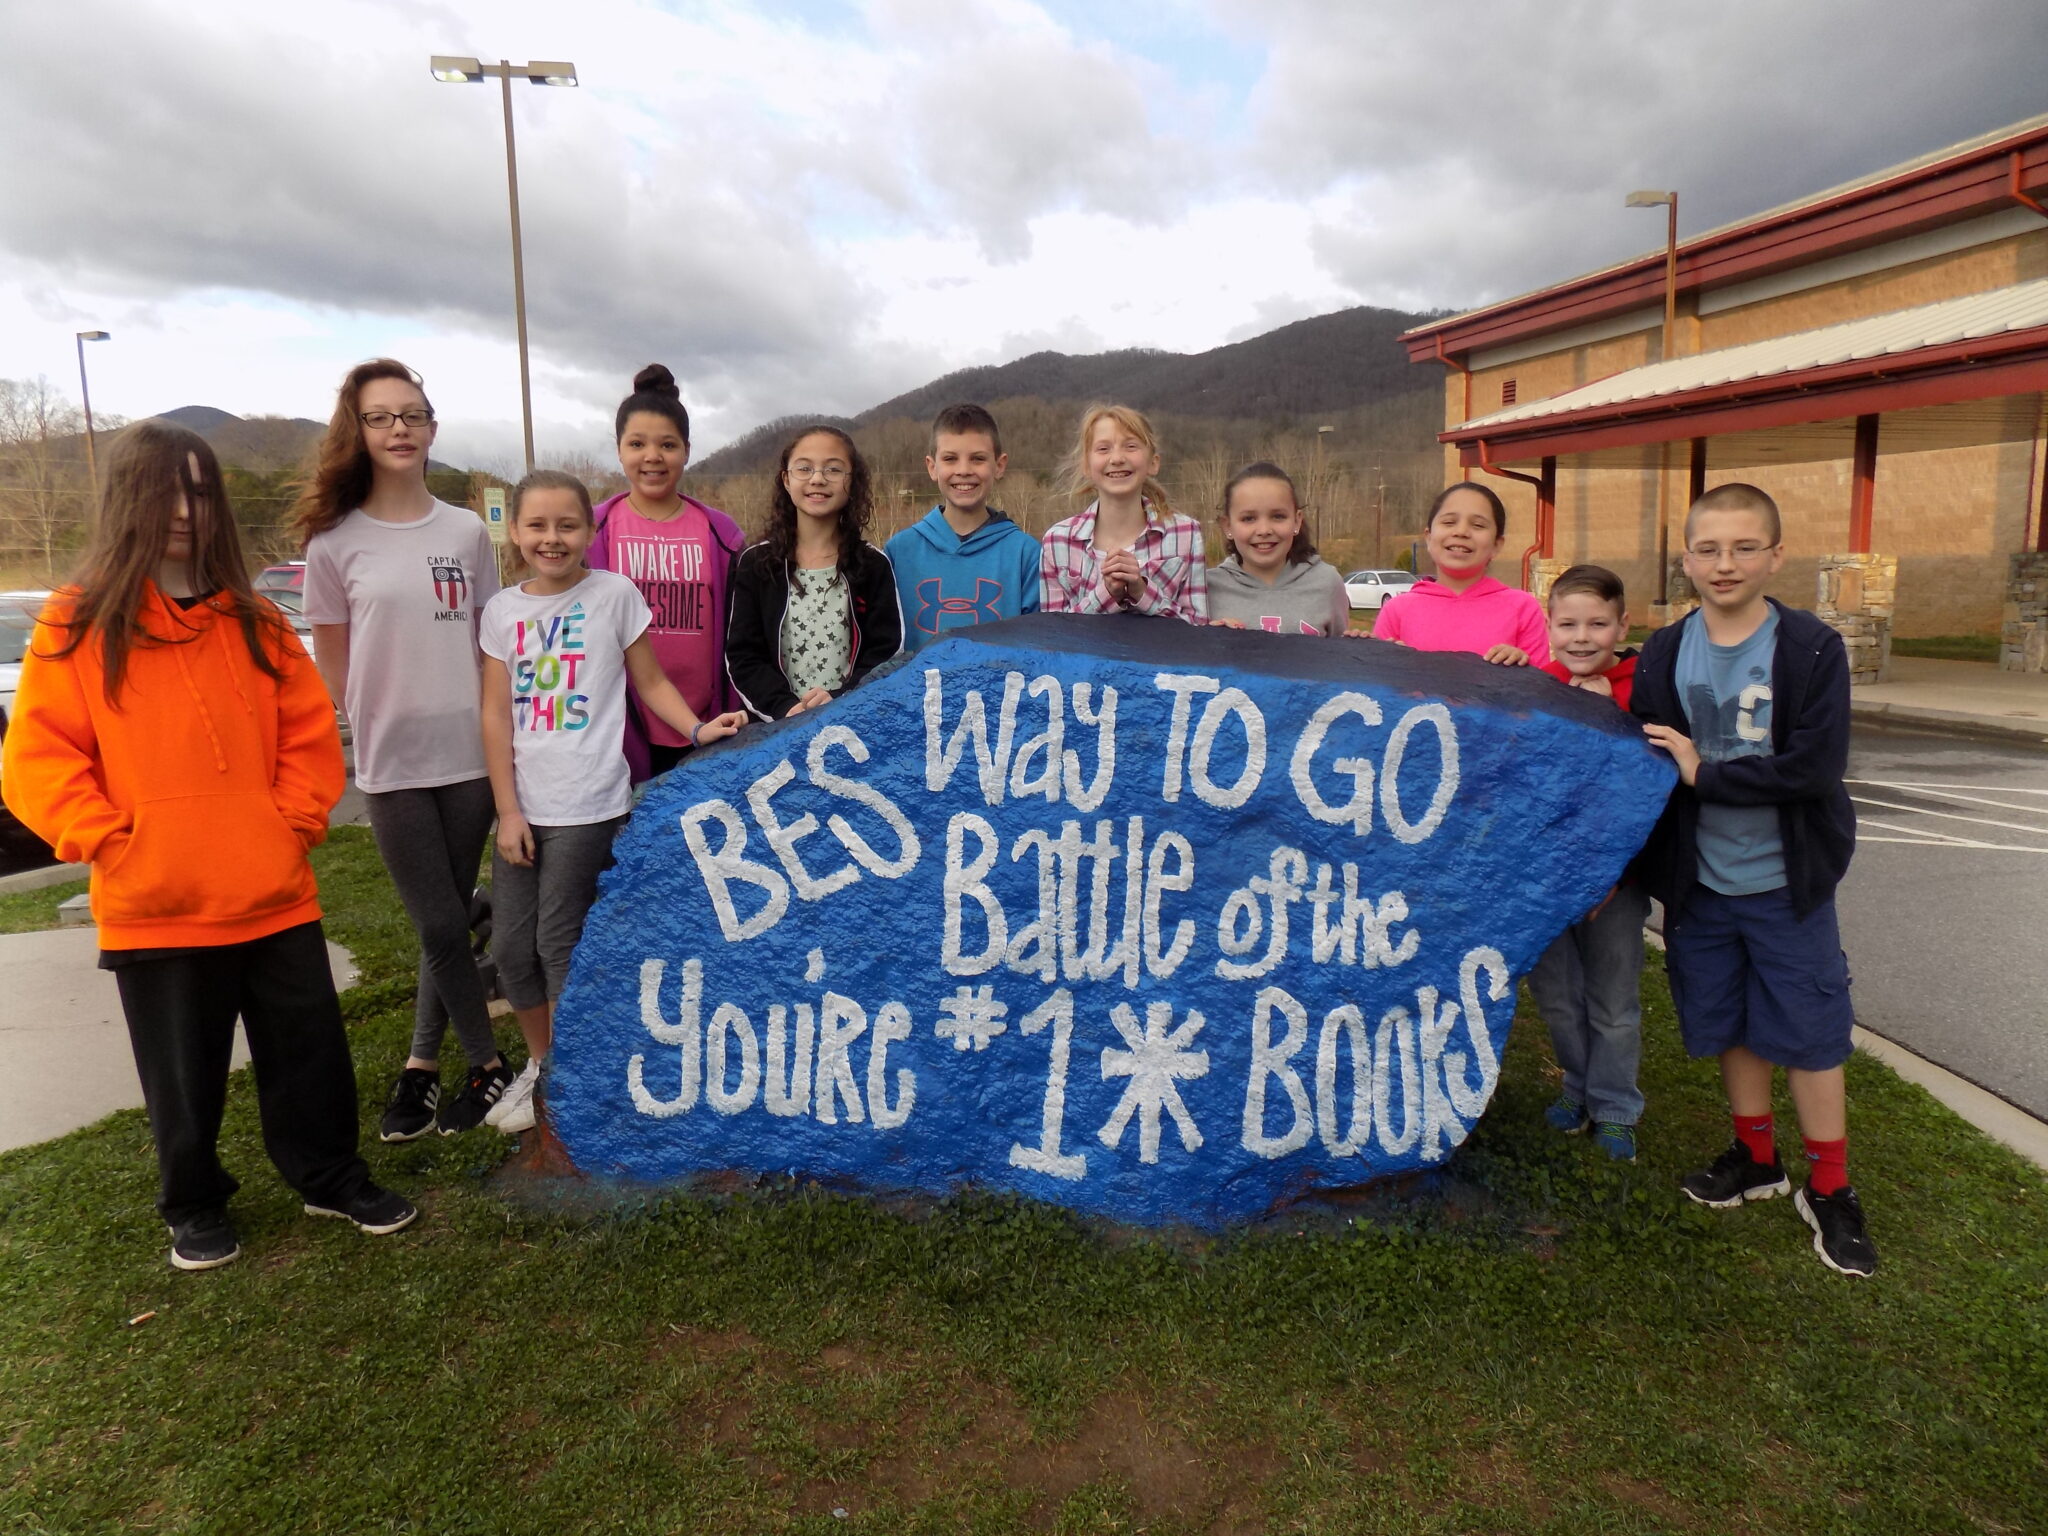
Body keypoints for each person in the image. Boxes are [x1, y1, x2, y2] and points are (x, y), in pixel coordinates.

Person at [1, 422, 416, 1271]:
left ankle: (329, 1177)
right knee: (182, 1076)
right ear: (130, 500)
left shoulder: (257, 621)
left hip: (273, 892)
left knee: (309, 1056)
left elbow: (307, 738)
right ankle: (192, 1205)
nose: (185, 510)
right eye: (166, 491)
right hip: (155, 902)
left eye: (199, 491)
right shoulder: (79, 621)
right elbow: (39, 760)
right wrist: (112, 841)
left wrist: (289, 827)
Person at [1632, 483, 1874, 1278]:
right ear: (1687, 558)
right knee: (1730, 1021)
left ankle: (1830, 1187)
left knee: (1810, 1031)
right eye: (1708, 549)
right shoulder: (1666, 651)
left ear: (1776, 555)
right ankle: (1757, 1157)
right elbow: (1643, 758)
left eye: (1743, 547)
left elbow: (1814, 768)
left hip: (1784, 882)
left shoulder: (1810, 649)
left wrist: (1706, 774)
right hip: (1701, 884)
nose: (1724, 563)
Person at [479, 471, 747, 1133]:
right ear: (516, 533)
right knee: (510, 949)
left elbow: (649, 681)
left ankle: (575, 1079)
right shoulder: (502, 612)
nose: (552, 538)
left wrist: (695, 730)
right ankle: (542, 1064)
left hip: (591, 802)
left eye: (566, 525)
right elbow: (494, 716)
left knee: (558, 943)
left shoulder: (613, 595)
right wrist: (507, 810)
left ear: (590, 532)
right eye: (537, 525)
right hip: (523, 808)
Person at [298, 359, 511, 1141]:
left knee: (443, 924)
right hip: (392, 765)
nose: (398, 429)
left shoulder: (464, 531)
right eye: (381, 416)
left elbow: (491, 646)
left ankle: (422, 1067)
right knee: (440, 923)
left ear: (431, 428)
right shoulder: (333, 542)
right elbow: (334, 662)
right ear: (356, 430)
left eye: (412, 415)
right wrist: (369, 716)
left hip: (468, 758)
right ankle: (487, 1063)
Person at [1527, 564, 1647, 1161]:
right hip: (1547, 879)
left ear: (1622, 626)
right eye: (1567, 624)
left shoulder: (1640, 691)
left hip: (1616, 882)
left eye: (1597, 624)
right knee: (1557, 996)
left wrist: (1608, 718)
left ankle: (1616, 1107)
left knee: (1613, 1002)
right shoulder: (1536, 689)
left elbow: (1642, 792)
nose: (1581, 637)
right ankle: (1578, 1085)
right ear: (1548, 627)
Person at [586, 364, 747, 778]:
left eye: (668, 445)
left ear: (687, 451)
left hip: (707, 726)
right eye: (637, 443)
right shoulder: (591, 530)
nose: (652, 457)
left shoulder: (721, 534)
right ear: (619, 450)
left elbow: (741, 634)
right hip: (618, 730)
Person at [727, 426, 903, 719]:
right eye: (804, 468)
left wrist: (840, 699)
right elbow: (744, 656)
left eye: (833, 469)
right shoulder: (757, 563)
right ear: (786, 479)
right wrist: (784, 708)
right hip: (776, 728)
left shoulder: (873, 565)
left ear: (852, 481)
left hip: (851, 722)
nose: (818, 479)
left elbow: (885, 654)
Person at [885, 403, 1041, 652]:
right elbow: (885, 648)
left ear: (999, 465)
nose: (964, 470)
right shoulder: (899, 552)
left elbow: (1037, 649)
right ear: (932, 467)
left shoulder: (1026, 554)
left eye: (978, 459)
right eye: (950, 459)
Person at [1039, 405, 1206, 623]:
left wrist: (1142, 591)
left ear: (1153, 463)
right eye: (1103, 449)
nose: (1117, 458)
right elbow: (1053, 634)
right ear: (1086, 466)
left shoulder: (1186, 533)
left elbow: (1199, 631)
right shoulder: (1057, 542)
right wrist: (1106, 595)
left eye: (1130, 446)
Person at [1368, 483, 1548, 664]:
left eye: (1478, 525)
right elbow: (1374, 677)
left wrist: (1522, 667)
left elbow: (1542, 680)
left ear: (1496, 544)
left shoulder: (1523, 608)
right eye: (1449, 522)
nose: (1461, 532)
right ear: (1429, 537)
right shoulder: (1397, 610)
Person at [1204, 461, 1351, 635]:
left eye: (1278, 516)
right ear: (1227, 526)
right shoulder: (1206, 588)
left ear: (1297, 521)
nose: (1264, 530)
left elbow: (1342, 649)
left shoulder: (1327, 582)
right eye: (1248, 519)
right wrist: (1212, 638)